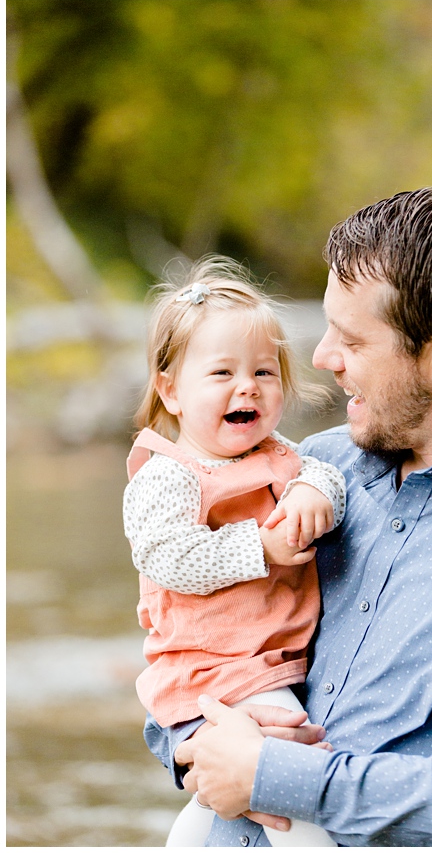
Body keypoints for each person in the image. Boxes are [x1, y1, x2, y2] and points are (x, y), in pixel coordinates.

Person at [142, 187, 432, 846]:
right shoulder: (316, 468)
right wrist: (190, 743)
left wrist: (276, 775)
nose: (319, 360)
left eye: (350, 339)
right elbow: (192, 645)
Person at [125, 257, 341, 847]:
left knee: (224, 799)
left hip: (259, 662)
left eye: (264, 372)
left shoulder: (279, 455)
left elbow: (327, 473)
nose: (247, 386)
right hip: (216, 668)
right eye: (222, 373)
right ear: (170, 389)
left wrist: (313, 490)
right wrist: (263, 547)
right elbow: (166, 555)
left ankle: (189, 838)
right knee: (293, 785)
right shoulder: (168, 475)